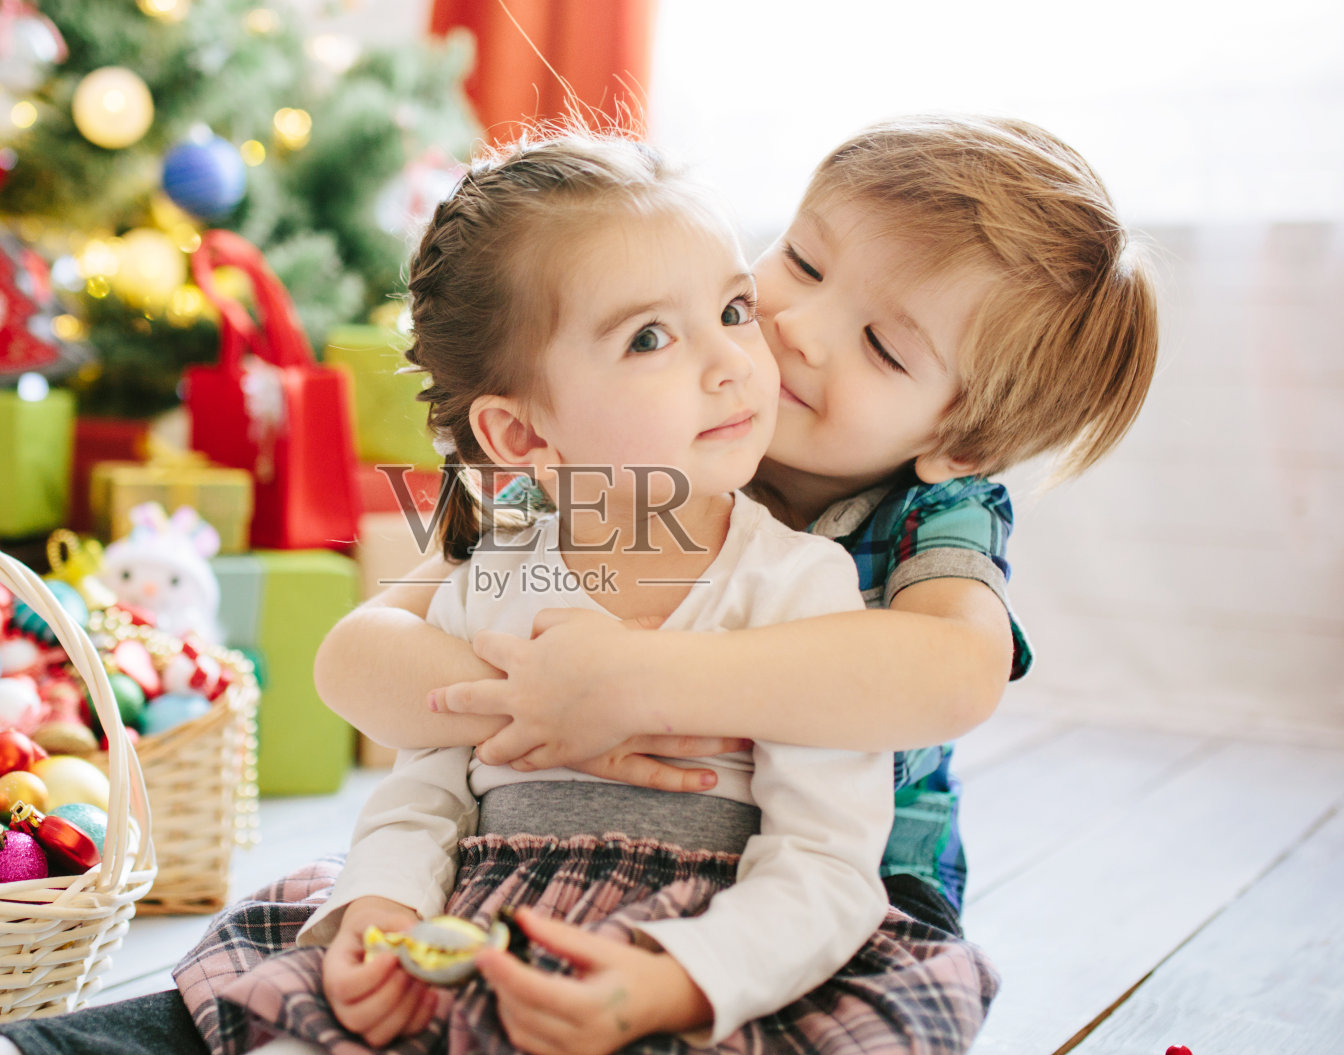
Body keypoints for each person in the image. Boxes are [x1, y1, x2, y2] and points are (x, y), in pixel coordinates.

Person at [315, 113, 1160, 936]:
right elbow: (358, 657)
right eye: (802, 262)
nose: (796, 328)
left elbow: (956, 673)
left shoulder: (937, 512)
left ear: (960, 439)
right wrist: (544, 708)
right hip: (580, 848)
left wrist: (639, 683)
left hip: (850, 885)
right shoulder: (620, 449)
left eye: (883, 347)